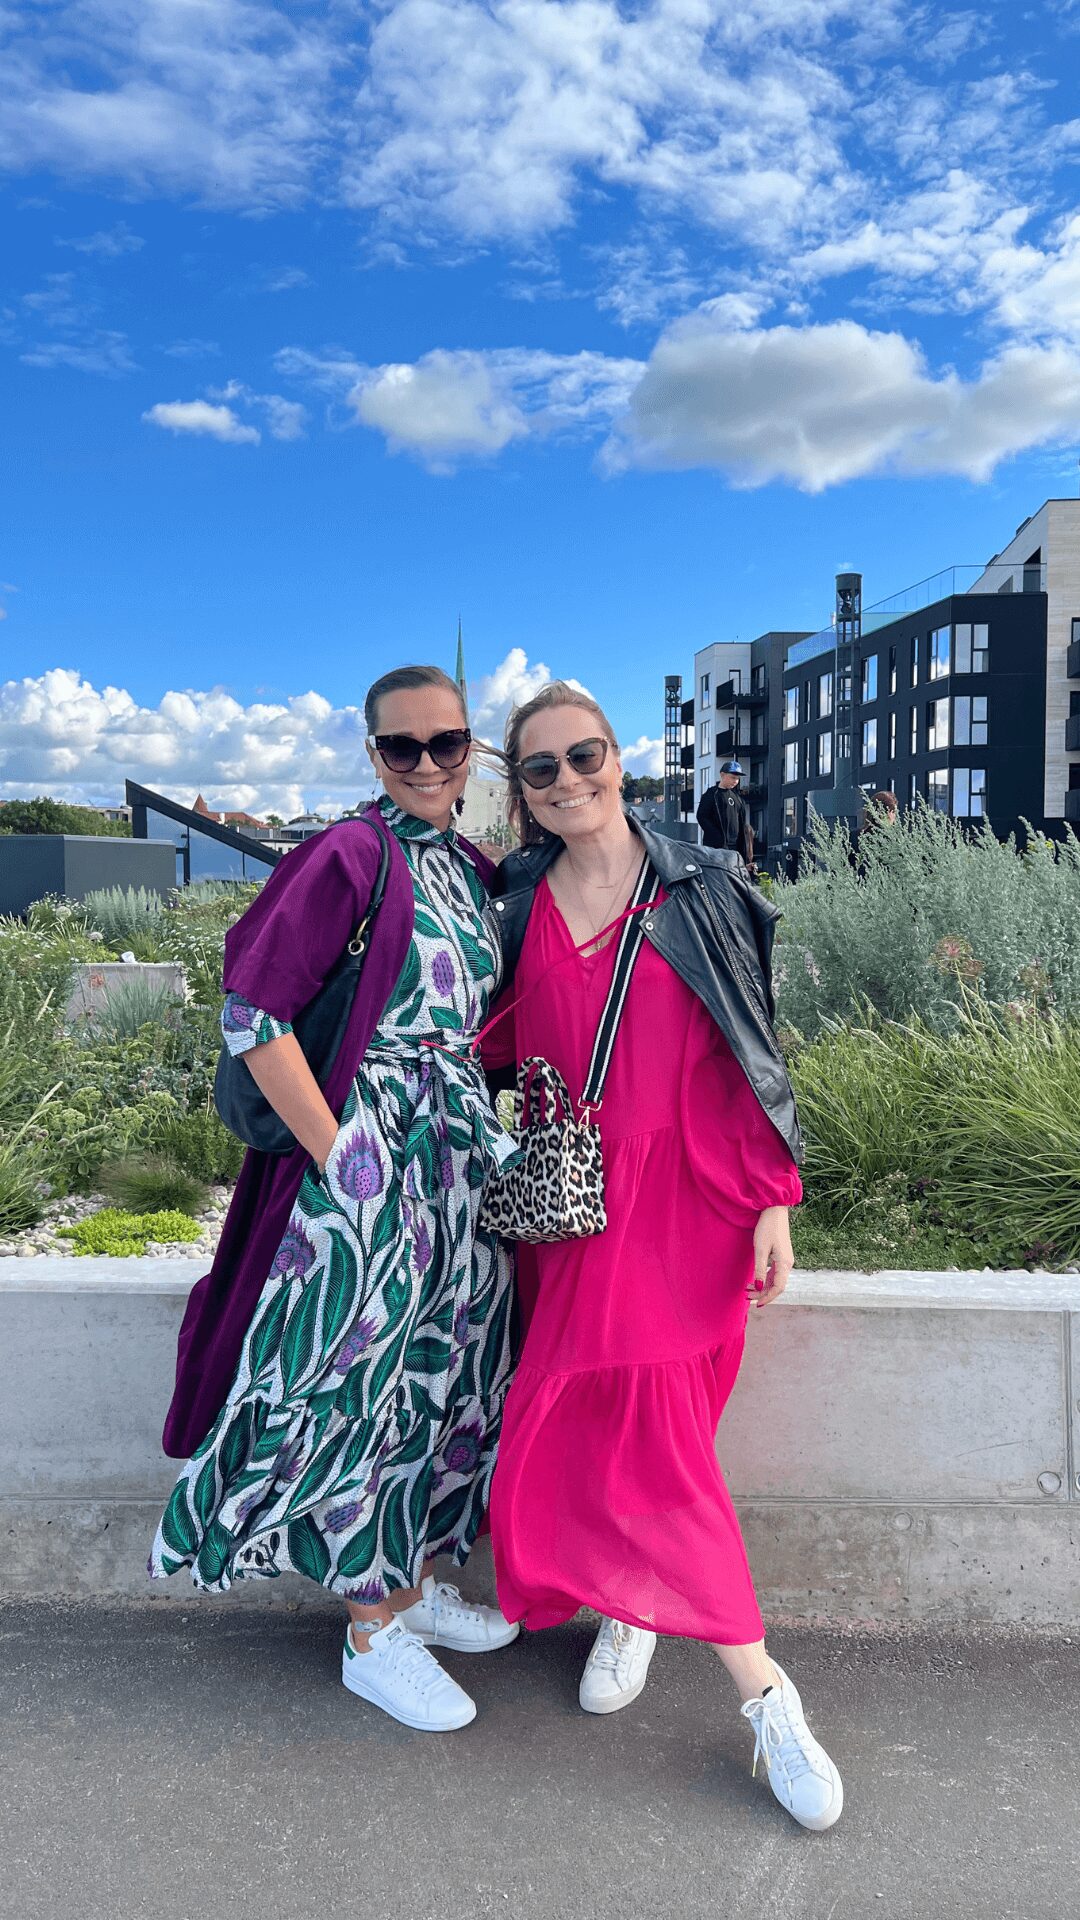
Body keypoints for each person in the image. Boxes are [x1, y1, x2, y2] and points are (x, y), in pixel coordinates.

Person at [484, 683, 843, 1832]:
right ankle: (646, 1614)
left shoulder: (702, 884)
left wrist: (773, 1200)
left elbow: (753, 1046)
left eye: (583, 755)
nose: (567, 781)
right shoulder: (515, 896)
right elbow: (478, 1038)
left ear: (619, 758)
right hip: (575, 1201)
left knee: (663, 1434)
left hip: (689, 1196)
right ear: (521, 790)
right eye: (541, 768)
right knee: (614, 1424)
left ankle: (762, 1693)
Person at [149, 665, 521, 1733]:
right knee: (353, 1379)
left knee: (440, 1372)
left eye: (446, 742)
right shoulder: (348, 853)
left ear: (471, 750)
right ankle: (369, 1631)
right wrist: (342, 1153)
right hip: (369, 1158)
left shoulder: (467, 866)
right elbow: (250, 1015)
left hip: (454, 1160)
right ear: (373, 755)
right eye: (402, 746)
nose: (427, 764)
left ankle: (409, 1584)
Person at [696, 758, 754, 867]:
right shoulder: (711, 794)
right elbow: (701, 816)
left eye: (737, 778)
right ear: (722, 775)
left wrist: (744, 852)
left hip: (734, 848)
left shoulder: (738, 799)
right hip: (715, 848)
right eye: (733, 777)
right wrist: (716, 836)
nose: (735, 781)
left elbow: (742, 824)